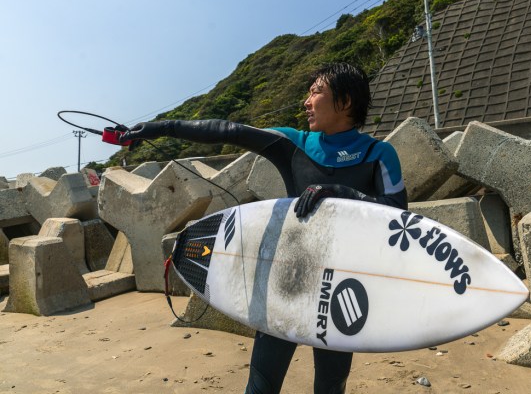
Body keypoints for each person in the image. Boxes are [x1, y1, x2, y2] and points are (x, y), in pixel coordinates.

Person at [120, 62, 407, 394]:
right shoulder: (294, 143)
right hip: (287, 283)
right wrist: (161, 128)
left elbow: (399, 217)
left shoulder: (378, 154)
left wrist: (340, 194)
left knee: (331, 387)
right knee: (261, 385)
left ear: (344, 102)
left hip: (339, 289)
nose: (306, 101)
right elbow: (229, 130)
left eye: (316, 92)